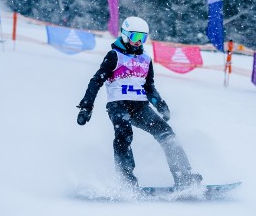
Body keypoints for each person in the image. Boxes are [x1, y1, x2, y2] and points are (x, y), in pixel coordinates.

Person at [77, 16, 202, 188]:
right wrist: (86, 106)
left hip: (140, 106)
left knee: (167, 134)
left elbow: (149, 87)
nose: (138, 42)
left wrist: (160, 105)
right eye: (135, 37)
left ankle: (184, 177)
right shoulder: (114, 56)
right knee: (124, 134)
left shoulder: (145, 59)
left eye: (142, 38)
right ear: (126, 35)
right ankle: (126, 181)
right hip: (118, 105)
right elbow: (96, 81)